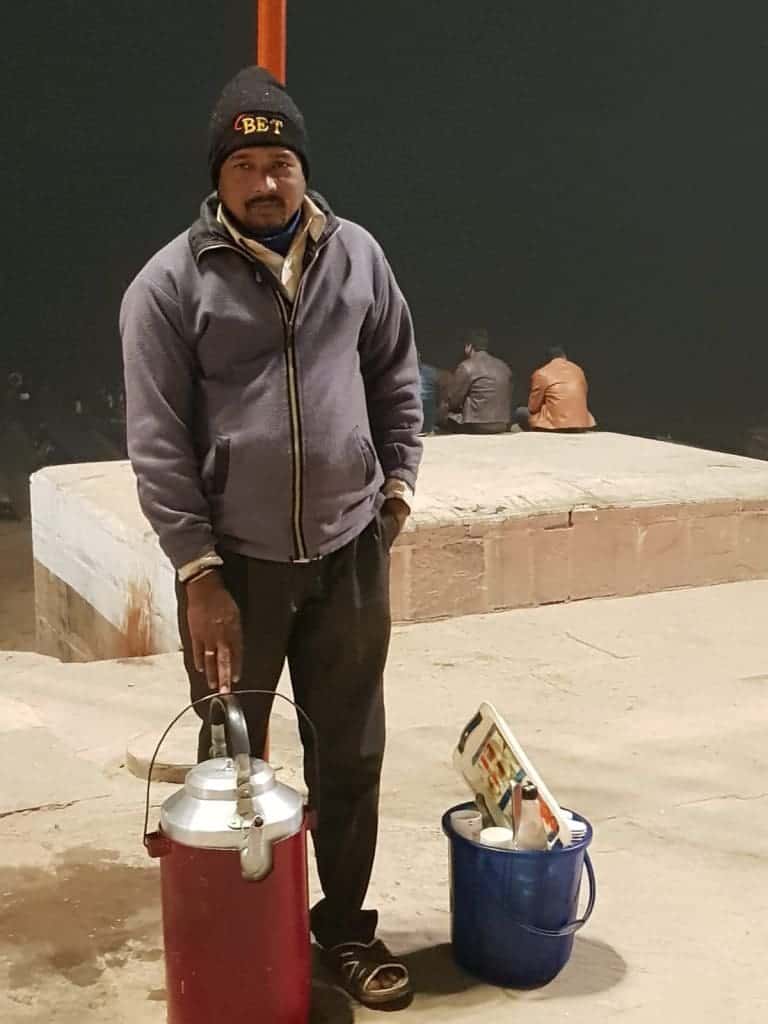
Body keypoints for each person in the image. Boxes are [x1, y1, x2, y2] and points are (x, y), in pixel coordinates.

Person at [120, 66, 422, 1010]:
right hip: (234, 571)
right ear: (220, 178)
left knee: (350, 749)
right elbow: (158, 441)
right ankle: (242, 935)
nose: (266, 182)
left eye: (280, 161)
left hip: (348, 555)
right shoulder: (169, 286)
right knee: (230, 758)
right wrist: (196, 570)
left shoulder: (359, 256)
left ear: (303, 168)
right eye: (245, 163)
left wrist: (397, 489)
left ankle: (341, 931)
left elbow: (397, 375)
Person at [438, 327, 513, 433]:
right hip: (502, 424)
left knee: (443, 412)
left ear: (469, 346)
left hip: (476, 425)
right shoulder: (504, 366)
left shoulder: (466, 366)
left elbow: (453, 401)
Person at [515, 346, 596, 432]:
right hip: (581, 425)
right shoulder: (578, 370)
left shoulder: (542, 373)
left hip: (556, 426)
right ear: (565, 357)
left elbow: (533, 407)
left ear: (548, 360)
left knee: (520, 412)